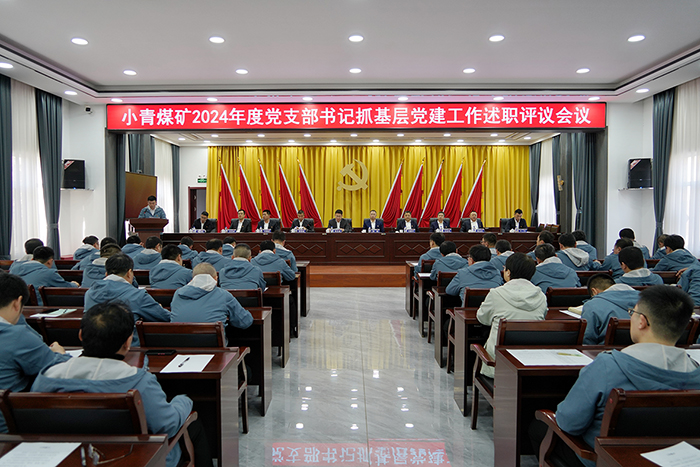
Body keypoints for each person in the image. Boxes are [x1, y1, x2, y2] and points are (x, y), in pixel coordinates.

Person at [531, 286, 700, 467]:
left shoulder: (608, 366)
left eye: (632, 312)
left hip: (603, 459)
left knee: (538, 428)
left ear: (642, 321)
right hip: (677, 459)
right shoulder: (695, 372)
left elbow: (569, 423)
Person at [31, 301, 213, 467]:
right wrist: (183, 401)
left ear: (80, 335)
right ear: (128, 342)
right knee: (193, 423)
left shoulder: (46, 377)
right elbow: (168, 424)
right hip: (135, 459)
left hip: (68, 459)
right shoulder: (138, 382)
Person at [0, 274, 71, 434]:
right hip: (9, 432)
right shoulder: (17, 336)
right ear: (17, 303)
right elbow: (59, 371)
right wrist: (61, 354)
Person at [476, 253, 547, 378]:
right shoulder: (541, 295)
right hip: (530, 362)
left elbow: (482, 318)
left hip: (498, 364)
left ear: (508, 272)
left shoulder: (496, 294)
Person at [84, 254, 170, 347]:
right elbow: (166, 318)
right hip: (128, 349)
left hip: (94, 347)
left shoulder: (89, 293)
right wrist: (158, 308)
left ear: (106, 274)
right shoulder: (137, 296)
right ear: (129, 273)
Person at [171, 263, 253, 338]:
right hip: (211, 345)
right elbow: (244, 322)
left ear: (193, 279)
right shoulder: (223, 295)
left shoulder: (178, 294)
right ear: (215, 279)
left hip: (178, 345)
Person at [580, 273, 639, 345]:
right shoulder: (648, 300)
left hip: (606, 350)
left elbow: (587, 342)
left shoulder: (592, 305)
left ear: (594, 292)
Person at [12, 246, 78, 305]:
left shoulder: (14, 270)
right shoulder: (49, 273)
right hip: (40, 309)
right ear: (50, 261)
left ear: (32, 259)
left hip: (16, 307)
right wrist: (75, 284)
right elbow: (67, 288)